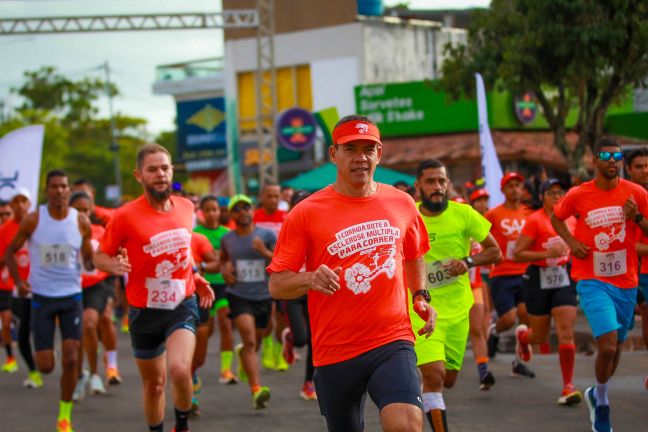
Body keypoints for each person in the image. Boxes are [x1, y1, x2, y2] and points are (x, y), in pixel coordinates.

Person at [268, 115, 436, 432]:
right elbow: (277, 285)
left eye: (368, 148)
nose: (361, 157)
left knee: (406, 424)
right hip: (335, 351)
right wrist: (309, 279)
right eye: (351, 149)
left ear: (379, 153)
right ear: (334, 154)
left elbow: (414, 255)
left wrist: (420, 296)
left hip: (392, 340)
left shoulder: (402, 203)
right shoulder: (305, 212)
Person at [93, 144, 214, 432]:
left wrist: (196, 276)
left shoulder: (186, 207)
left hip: (181, 304)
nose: (160, 174)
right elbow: (99, 255)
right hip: (143, 310)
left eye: (165, 168)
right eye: (152, 169)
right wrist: (114, 266)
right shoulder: (124, 216)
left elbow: (182, 253)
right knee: (154, 384)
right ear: (139, 175)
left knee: (180, 370)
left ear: (172, 171)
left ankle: (182, 424)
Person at [551, 137, 648, 432]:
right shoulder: (579, 194)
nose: (611, 160)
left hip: (626, 281)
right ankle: (603, 402)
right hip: (591, 279)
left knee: (616, 347)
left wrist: (638, 217)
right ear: (594, 160)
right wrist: (571, 242)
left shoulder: (636, 193)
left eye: (616, 156)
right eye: (605, 155)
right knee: (606, 346)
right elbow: (558, 218)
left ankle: (598, 393)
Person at [412, 159, 500, 430]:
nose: (437, 187)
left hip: (458, 309)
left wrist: (468, 262)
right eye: (430, 182)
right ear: (419, 186)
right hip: (421, 308)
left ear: (448, 183)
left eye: (441, 181)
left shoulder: (465, 214)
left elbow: (494, 251)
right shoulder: (408, 215)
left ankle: (427, 394)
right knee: (435, 374)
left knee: (447, 379)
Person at [6, 170, 95, 432]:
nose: (59, 191)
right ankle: (48, 351)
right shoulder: (34, 220)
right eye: (54, 187)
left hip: (71, 297)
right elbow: (11, 252)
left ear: (69, 190)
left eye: (64, 186)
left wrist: (99, 261)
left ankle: (64, 416)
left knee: (70, 359)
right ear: (47, 191)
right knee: (46, 367)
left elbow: (88, 258)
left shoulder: (80, 221)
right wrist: (19, 283)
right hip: (42, 298)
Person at [512, 179, 582, 405]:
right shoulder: (535, 220)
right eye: (551, 193)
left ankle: (568, 386)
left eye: (560, 192)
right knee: (539, 336)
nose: (556, 197)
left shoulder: (571, 219)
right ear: (542, 196)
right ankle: (523, 337)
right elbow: (518, 254)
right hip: (538, 278)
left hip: (563, 277)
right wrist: (545, 254)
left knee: (565, 329)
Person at [220, 193, 276, 410]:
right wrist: (225, 270)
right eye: (238, 209)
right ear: (232, 214)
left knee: (259, 339)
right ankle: (256, 390)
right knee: (250, 340)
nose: (243, 212)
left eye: (247, 207)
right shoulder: (228, 239)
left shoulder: (267, 235)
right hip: (239, 295)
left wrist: (264, 251)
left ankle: (243, 356)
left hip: (263, 294)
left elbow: (283, 259)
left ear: (252, 210)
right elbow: (223, 259)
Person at [69, 191, 121, 401]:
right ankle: (80, 374)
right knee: (75, 337)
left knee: (91, 324)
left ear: (91, 210)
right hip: (69, 287)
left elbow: (95, 263)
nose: (82, 213)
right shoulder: (61, 231)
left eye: (85, 209)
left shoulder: (100, 231)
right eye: (77, 209)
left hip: (96, 285)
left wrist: (86, 237)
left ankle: (97, 373)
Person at [484, 172, 535, 378]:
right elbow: (479, 237)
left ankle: (518, 362)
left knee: (525, 317)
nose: (515, 189)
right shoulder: (493, 214)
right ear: (503, 190)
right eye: (510, 185)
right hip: (502, 273)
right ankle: (495, 331)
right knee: (509, 318)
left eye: (518, 185)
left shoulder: (529, 213)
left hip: (525, 272)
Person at [193, 195, 237, 386]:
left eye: (215, 210)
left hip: (224, 287)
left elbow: (231, 260)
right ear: (202, 212)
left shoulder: (227, 234)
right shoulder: (196, 233)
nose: (212, 213)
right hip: (204, 288)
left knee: (226, 325)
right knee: (206, 331)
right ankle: (194, 368)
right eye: (208, 210)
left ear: (220, 212)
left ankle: (226, 370)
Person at [279, 189, 318, 401]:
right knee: (302, 339)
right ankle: (290, 337)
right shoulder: (286, 230)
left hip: (313, 288)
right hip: (293, 289)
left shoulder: (322, 227)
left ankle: (308, 382)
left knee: (314, 340)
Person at [0, 188, 41, 387]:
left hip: (42, 287)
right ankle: (33, 371)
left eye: (24, 200)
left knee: (42, 327)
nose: (20, 205)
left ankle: (47, 355)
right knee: (22, 329)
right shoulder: (5, 230)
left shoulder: (40, 224)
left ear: (30, 203)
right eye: (16, 201)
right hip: (17, 288)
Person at [253, 184, 289, 371]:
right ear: (262, 196)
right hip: (258, 272)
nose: (273, 200)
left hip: (280, 271)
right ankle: (267, 344)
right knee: (267, 318)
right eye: (269, 196)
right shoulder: (254, 217)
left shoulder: (286, 217)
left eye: (276, 196)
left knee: (281, 316)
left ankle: (279, 351)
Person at [189, 231, 221, 415]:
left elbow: (216, 264)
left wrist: (200, 266)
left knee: (199, 351)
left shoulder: (198, 239)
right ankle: (189, 395)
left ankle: (193, 371)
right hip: (172, 298)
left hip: (198, 294)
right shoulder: (159, 234)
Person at [626, 147, 648, 389]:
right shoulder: (626, 198)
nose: (645, 171)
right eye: (640, 167)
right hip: (637, 270)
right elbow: (629, 245)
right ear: (629, 170)